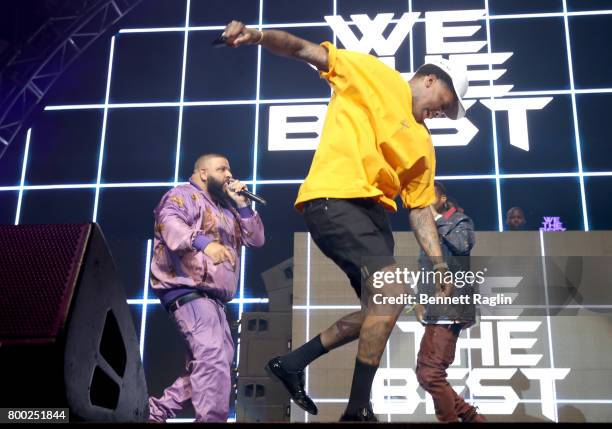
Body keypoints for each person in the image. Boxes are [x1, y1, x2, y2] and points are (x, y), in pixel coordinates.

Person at [219, 22, 469, 421]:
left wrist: (439, 264)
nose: (443, 111)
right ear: (430, 78)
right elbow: (304, 49)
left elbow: (420, 208)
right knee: (391, 292)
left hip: (374, 215)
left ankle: (293, 362)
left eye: (449, 112)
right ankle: (357, 412)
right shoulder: (374, 75)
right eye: (446, 100)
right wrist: (259, 35)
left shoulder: (423, 143)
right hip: (334, 198)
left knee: (384, 306)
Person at [147, 154, 265, 422]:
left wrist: (243, 204)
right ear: (202, 172)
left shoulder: (227, 208)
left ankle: (154, 414)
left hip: (215, 300)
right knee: (212, 360)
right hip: (189, 291)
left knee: (215, 365)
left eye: (229, 168)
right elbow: (170, 223)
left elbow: (257, 240)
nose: (228, 174)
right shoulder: (182, 195)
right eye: (221, 168)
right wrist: (206, 244)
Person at [412, 182, 486, 422]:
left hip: (451, 305)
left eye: (429, 193)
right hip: (435, 307)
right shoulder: (428, 231)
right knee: (427, 373)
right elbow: (424, 271)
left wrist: (434, 220)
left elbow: (463, 245)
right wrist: (417, 302)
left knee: (430, 374)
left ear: (443, 198)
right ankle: (473, 418)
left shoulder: (459, 220)